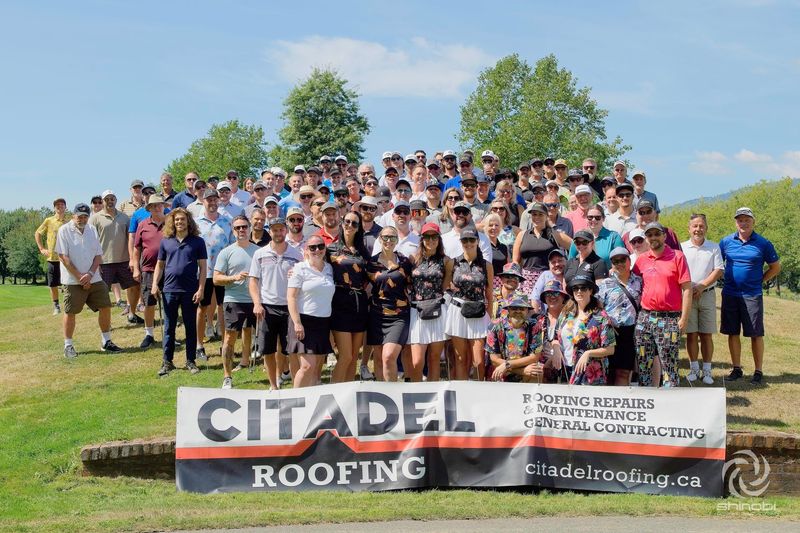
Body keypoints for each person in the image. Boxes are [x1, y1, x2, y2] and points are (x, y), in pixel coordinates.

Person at [719, 207, 781, 385]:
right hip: (730, 294)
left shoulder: (763, 243)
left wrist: (760, 281)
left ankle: (758, 371)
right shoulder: (726, 242)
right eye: (740, 220)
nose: (743, 223)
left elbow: (775, 267)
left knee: (755, 334)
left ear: (753, 221)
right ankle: (736, 368)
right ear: (735, 222)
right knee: (732, 332)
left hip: (752, 295)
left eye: (747, 220)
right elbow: (717, 264)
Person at [55, 203, 121, 358]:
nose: (82, 219)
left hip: (94, 278)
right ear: (73, 216)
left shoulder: (91, 229)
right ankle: (68, 345)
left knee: (105, 306)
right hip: (72, 280)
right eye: (79, 216)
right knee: (71, 312)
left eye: (85, 216)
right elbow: (63, 257)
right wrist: (80, 277)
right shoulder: (64, 230)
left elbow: (98, 255)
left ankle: (106, 341)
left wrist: (90, 274)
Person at [632, 222, 692, 388]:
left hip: (669, 318)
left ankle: (669, 405)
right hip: (644, 317)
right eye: (649, 235)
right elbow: (634, 285)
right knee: (643, 364)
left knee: (669, 365)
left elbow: (687, 289)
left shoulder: (677, 256)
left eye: (656, 234)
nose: (653, 238)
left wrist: (684, 319)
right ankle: (646, 402)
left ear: (664, 236)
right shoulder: (641, 260)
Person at [249, 217, 304, 390]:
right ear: (269, 231)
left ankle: (296, 387)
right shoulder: (260, 253)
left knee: (292, 350)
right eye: (274, 230)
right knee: (268, 350)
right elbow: (253, 281)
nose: (278, 233)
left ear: (286, 230)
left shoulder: (296, 254)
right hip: (267, 307)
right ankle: (274, 385)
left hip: (290, 308)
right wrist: (257, 303)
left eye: (281, 229)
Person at [151, 208, 207, 376]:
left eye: (182, 219)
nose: (179, 222)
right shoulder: (166, 241)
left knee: (190, 327)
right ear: (172, 222)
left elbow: (203, 267)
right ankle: (167, 362)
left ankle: (190, 361)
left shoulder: (198, 241)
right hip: (169, 289)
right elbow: (160, 265)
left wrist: (201, 288)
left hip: (190, 290)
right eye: (176, 220)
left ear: (188, 221)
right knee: (169, 328)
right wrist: (155, 284)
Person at [213, 215, 260, 389]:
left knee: (266, 335)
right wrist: (234, 277)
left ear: (249, 228)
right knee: (230, 337)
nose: (241, 230)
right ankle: (227, 376)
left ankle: (277, 372)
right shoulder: (226, 252)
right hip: (233, 300)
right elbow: (216, 279)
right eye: (238, 227)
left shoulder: (259, 251)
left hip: (256, 300)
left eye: (244, 227)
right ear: (233, 231)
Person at [287, 234, 336, 388]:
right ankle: (294, 400)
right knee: (307, 366)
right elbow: (291, 297)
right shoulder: (299, 268)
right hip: (303, 321)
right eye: (312, 247)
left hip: (322, 322)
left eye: (320, 246)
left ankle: (309, 400)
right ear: (306, 250)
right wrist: (297, 323)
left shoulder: (329, 268)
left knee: (315, 370)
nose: (317, 250)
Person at [89, 190, 144, 325]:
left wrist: (133, 259)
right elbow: (90, 242)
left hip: (124, 260)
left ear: (116, 200)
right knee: (102, 294)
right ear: (102, 201)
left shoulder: (124, 217)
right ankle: (106, 322)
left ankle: (132, 314)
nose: (110, 201)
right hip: (104, 262)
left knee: (135, 287)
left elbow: (130, 239)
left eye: (112, 198)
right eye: (107, 199)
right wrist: (94, 264)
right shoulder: (95, 218)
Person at [367, 226, 414, 382]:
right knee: (379, 359)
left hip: (399, 315)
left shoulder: (405, 262)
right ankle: (382, 394)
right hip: (376, 314)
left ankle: (393, 395)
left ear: (397, 240)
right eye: (385, 237)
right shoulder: (371, 263)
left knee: (388, 357)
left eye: (392, 237)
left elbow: (412, 284)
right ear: (380, 239)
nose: (388, 240)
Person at [328, 211, 371, 383]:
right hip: (340, 301)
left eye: (354, 223)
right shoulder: (330, 249)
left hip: (359, 302)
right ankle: (332, 396)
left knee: (354, 356)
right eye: (347, 221)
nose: (350, 226)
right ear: (342, 223)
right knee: (345, 356)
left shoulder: (363, 251)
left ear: (359, 227)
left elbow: (368, 276)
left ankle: (348, 395)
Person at [681, 214, 724, 385]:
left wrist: (701, 286)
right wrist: (691, 288)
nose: (698, 229)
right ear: (689, 228)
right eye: (695, 226)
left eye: (701, 226)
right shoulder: (682, 248)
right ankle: (694, 368)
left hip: (707, 294)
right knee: (691, 334)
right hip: (687, 296)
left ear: (706, 228)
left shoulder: (714, 247)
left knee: (706, 334)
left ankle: (707, 370)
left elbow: (718, 270)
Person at [446, 228, 493, 381]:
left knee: (478, 361)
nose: (468, 243)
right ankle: (462, 394)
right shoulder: (453, 262)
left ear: (477, 242)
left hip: (478, 312)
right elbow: (445, 285)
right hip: (457, 311)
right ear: (461, 242)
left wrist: (490, 316)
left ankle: (478, 393)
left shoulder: (486, 265)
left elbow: (489, 293)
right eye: (465, 240)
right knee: (460, 359)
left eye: (471, 240)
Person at [408, 223, 453, 382]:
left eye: (434, 236)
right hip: (417, 311)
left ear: (439, 239)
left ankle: (433, 396)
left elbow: (445, 285)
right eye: (427, 236)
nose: (430, 240)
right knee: (417, 361)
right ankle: (415, 392)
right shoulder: (413, 258)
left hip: (437, 310)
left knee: (434, 359)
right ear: (422, 239)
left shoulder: (447, 261)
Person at [195, 189, 233, 359]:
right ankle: (199, 345)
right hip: (203, 272)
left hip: (223, 272)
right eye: (208, 199)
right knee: (202, 308)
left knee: (223, 308)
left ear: (218, 201)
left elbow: (233, 247)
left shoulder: (227, 222)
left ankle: (225, 345)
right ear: (203, 201)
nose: (212, 202)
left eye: (214, 199)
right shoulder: (196, 224)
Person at [597, 247, 643, 385]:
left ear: (629, 261)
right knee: (608, 371)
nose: (620, 264)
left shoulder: (639, 281)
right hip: (610, 332)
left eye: (623, 260)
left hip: (630, 332)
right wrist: (605, 323)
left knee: (624, 372)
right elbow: (597, 307)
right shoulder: (605, 283)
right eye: (615, 261)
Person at [559, 275, 616, 385]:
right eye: (575, 288)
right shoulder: (565, 314)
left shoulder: (601, 316)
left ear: (590, 291)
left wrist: (588, 353)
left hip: (589, 374)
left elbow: (610, 349)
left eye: (583, 288)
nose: (579, 291)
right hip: (565, 369)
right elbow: (557, 337)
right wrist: (556, 348)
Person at [132, 195, 168, 349]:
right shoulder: (143, 224)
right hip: (148, 269)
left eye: (159, 205)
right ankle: (149, 334)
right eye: (154, 206)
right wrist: (135, 267)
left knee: (169, 303)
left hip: (170, 269)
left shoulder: (171, 223)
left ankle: (169, 333)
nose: (157, 208)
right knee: (149, 303)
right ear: (150, 209)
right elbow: (137, 248)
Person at [486, 295, 548, 383]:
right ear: (508, 309)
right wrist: (518, 370)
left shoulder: (535, 326)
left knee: (537, 371)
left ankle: (530, 396)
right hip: (501, 369)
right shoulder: (494, 326)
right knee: (496, 371)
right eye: (514, 308)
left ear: (527, 311)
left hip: (523, 366)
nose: (518, 311)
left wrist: (508, 365)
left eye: (522, 309)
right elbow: (494, 360)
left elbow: (534, 357)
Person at [512, 202, 571, 293]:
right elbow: (515, 261)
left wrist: (570, 266)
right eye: (534, 214)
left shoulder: (554, 234)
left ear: (546, 216)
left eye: (540, 214)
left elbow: (575, 246)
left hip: (549, 277)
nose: (537, 217)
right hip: (527, 279)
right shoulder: (522, 235)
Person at [528, 279, 569, 382]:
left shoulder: (571, 320)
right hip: (541, 369)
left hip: (565, 366)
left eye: (555, 293)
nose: (552, 297)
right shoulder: (537, 320)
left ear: (563, 297)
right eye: (548, 294)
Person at [35, 197, 69, 314]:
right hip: (52, 258)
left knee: (67, 282)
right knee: (53, 284)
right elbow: (38, 233)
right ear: (54, 208)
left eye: (62, 205)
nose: (59, 207)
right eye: (57, 205)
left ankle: (69, 304)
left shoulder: (69, 222)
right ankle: (56, 306)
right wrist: (41, 248)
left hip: (65, 258)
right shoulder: (49, 220)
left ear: (65, 207)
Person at [530, 249, 568, 313]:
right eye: (553, 262)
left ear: (566, 261)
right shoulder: (545, 275)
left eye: (560, 260)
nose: (557, 264)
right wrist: (533, 318)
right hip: (548, 316)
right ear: (549, 265)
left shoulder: (571, 275)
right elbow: (535, 298)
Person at [482, 213, 510, 285]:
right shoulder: (481, 246)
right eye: (490, 225)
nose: (494, 228)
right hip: (486, 283)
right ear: (485, 227)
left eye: (496, 225)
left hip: (502, 284)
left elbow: (507, 267)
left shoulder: (503, 247)